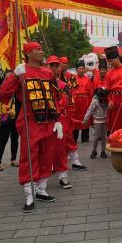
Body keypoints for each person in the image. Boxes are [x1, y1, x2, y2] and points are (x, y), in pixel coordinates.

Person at [0, 42, 64, 213]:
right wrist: (13, 76)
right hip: (29, 121)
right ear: (28, 53)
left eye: (41, 49)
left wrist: (58, 118)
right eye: (38, 50)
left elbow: (54, 97)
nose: (42, 52)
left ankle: (41, 188)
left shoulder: (48, 72)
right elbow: (3, 96)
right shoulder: (21, 72)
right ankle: (29, 193)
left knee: (46, 155)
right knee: (29, 156)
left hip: (48, 120)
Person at [46, 55, 74, 189]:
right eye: (51, 65)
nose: (53, 68)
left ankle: (63, 177)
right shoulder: (41, 84)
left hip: (59, 120)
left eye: (56, 66)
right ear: (46, 66)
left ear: (59, 68)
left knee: (60, 149)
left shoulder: (63, 85)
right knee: (44, 149)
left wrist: (55, 111)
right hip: (44, 120)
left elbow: (65, 101)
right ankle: (41, 180)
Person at [0, 70, 19, 171]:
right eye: (7, 78)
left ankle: (13, 159)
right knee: (3, 141)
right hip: (5, 119)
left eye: (11, 77)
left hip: (15, 119)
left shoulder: (18, 90)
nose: (10, 80)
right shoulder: (2, 91)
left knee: (15, 140)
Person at [104, 46, 122, 133]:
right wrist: (108, 101)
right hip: (114, 100)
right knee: (114, 124)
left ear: (117, 58)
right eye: (109, 62)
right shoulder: (109, 73)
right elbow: (106, 90)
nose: (110, 64)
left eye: (111, 61)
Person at [71, 60, 94, 143]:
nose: (81, 70)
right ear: (76, 70)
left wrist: (90, 104)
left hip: (85, 102)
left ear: (84, 70)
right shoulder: (72, 78)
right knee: (75, 120)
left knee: (86, 119)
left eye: (82, 69)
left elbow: (90, 92)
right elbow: (70, 91)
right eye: (79, 69)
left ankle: (85, 138)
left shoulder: (88, 79)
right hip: (76, 103)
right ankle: (74, 138)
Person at [84, 87, 109, 159]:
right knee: (97, 136)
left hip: (104, 119)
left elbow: (106, 108)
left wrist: (109, 106)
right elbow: (90, 110)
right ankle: (94, 151)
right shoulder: (95, 101)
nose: (104, 97)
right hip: (97, 120)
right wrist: (86, 119)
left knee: (104, 137)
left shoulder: (105, 100)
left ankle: (103, 151)